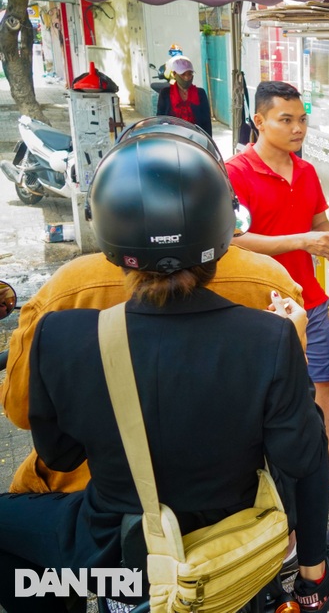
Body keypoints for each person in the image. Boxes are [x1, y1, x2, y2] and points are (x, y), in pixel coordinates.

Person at [0, 127, 329, 613]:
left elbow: (59, 457)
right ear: (222, 228)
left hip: (117, 556)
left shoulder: (60, 336)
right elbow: (302, 460)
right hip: (232, 550)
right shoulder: (269, 338)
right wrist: (313, 572)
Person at [0, 118, 306, 495]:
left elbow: (21, 412)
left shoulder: (64, 292)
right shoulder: (270, 282)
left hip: (89, 493)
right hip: (228, 501)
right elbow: (294, 428)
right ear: (221, 208)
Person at [227, 80, 329, 496]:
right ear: (259, 121)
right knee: (261, 396)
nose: (298, 129)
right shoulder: (234, 174)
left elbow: (316, 224)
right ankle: (258, 481)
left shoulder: (308, 170)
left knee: (324, 383)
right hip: (258, 307)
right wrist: (301, 241)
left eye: (302, 120)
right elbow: (232, 241)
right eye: (286, 120)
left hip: (308, 300)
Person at [156, 55, 213, 136]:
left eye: (190, 74)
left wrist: (208, 142)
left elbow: (206, 122)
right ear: (175, 74)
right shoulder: (165, 93)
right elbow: (160, 119)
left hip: (195, 137)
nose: (187, 78)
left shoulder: (200, 93)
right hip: (173, 136)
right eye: (183, 74)